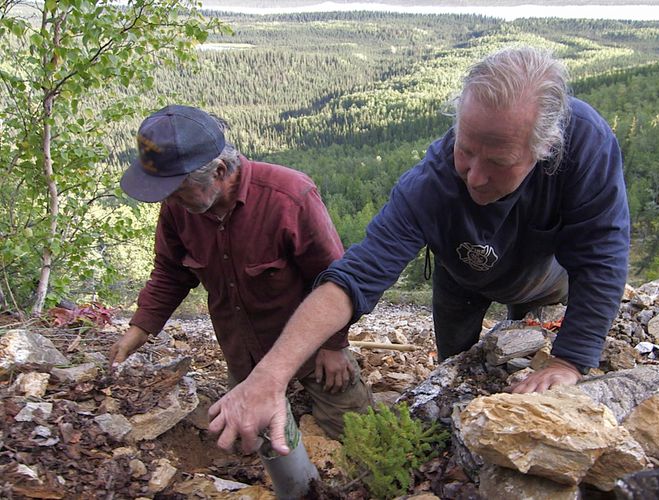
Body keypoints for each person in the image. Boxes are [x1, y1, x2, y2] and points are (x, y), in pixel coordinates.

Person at [208, 46, 630, 456]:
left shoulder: (585, 144)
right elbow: (353, 277)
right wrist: (270, 375)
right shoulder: (431, 184)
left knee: (533, 327)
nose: (475, 178)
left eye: (499, 162)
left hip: (542, 277)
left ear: (545, 149)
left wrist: (569, 361)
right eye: (465, 150)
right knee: (457, 364)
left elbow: (602, 255)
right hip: (461, 277)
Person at [108, 104, 373, 442]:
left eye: (177, 190)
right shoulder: (178, 208)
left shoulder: (289, 197)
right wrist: (140, 328)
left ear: (219, 171)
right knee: (252, 446)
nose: (170, 201)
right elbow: (171, 272)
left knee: (358, 435)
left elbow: (335, 278)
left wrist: (335, 345)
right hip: (243, 352)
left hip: (311, 348)